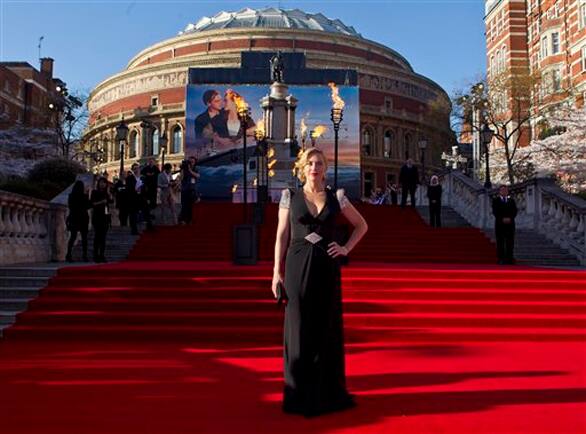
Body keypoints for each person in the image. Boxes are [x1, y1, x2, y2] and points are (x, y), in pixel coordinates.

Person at [272, 147, 368, 417]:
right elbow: (281, 236)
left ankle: (327, 391)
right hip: (296, 264)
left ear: (325, 168)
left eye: (319, 163)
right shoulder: (289, 196)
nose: (315, 167)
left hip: (327, 267)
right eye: (310, 163)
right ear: (303, 167)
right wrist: (275, 271)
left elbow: (362, 226)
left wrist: (346, 248)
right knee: (298, 327)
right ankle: (297, 392)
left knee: (326, 327)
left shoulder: (337, 196)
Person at [65, 180, 90, 262]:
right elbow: (88, 206)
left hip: (74, 217)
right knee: (84, 237)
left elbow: (70, 206)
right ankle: (85, 255)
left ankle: (68, 254)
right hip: (83, 217)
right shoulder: (84, 196)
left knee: (73, 237)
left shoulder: (71, 196)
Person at [492, 185, 517, 265]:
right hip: (500, 225)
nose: (504, 192)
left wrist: (510, 218)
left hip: (510, 225)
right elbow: (495, 211)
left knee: (510, 242)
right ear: (499, 192)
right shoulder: (496, 200)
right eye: (502, 190)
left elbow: (515, 211)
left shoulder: (511, 201)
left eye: (505, 190)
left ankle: (509, 259)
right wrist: (502, 219)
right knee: (500, 242)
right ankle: (501, 259)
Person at [90, 177, 113, 263]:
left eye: (104, 183)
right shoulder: (94, 192)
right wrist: (101, 202)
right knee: (97, 237)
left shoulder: (106, 193)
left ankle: (102, 255)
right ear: (98, 184)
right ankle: (95, 255)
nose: (102, 184)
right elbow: (92, 203)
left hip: (105, 217)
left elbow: (111, 201)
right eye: (101, 182)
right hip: (97, 216)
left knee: (103, 237)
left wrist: (109, 194)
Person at [179, 157, 200, 224]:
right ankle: (183, 220)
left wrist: (190, 170)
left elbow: (197, 176)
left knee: (190, 206)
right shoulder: (184, 169)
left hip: (192, 189)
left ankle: (189, 219)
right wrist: (182, 170)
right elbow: (181, 178)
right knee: (184, 205)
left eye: (192, 162)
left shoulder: (195, 169)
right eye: (190, 162)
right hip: (184, 189)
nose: (191, 163)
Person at [126, 163, 142, 235]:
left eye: (137, 168)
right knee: (133, 215)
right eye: (135, 168)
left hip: (141, 198)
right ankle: (134, 230)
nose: (136, 170)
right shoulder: (129, 178)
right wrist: (136, 189)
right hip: (132, 199)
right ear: (132, 170)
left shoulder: (142, 177)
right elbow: (128, 188)